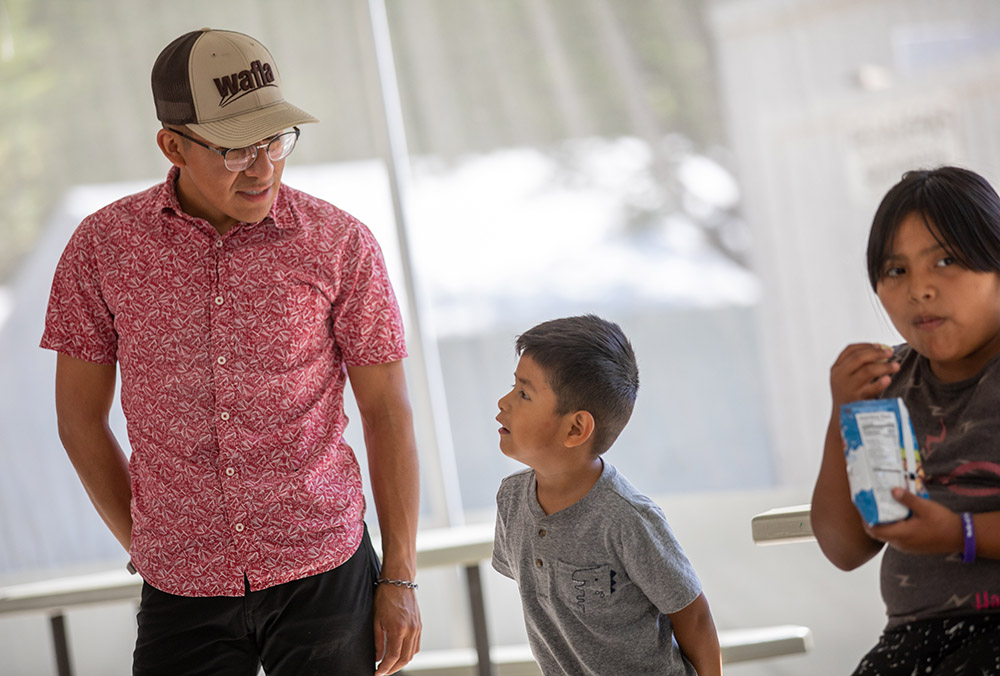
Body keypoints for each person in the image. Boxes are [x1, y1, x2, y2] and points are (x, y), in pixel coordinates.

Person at [40, 28, 420, 675]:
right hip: (179, 591)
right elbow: (78, 419)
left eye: (275, 139)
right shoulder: (101, 250)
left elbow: (388, 412)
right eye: (238, 147)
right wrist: (149, 542)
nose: (265, 165)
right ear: (173, 145)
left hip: (324, 568)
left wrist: (401, 581)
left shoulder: (340, 244)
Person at [812, 166, 1000, 674]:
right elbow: (846, 548)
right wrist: (842, 416)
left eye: (946, 260)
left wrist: (962, 534)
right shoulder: (886, 381)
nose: (920, 289)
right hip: (914, 636)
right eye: (896, 271)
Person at [491, 314, 722, 676]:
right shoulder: (510, 500)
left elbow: (694, 617)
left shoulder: (627, 518)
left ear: (576, 428)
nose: (504, 401)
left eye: (524, 393)